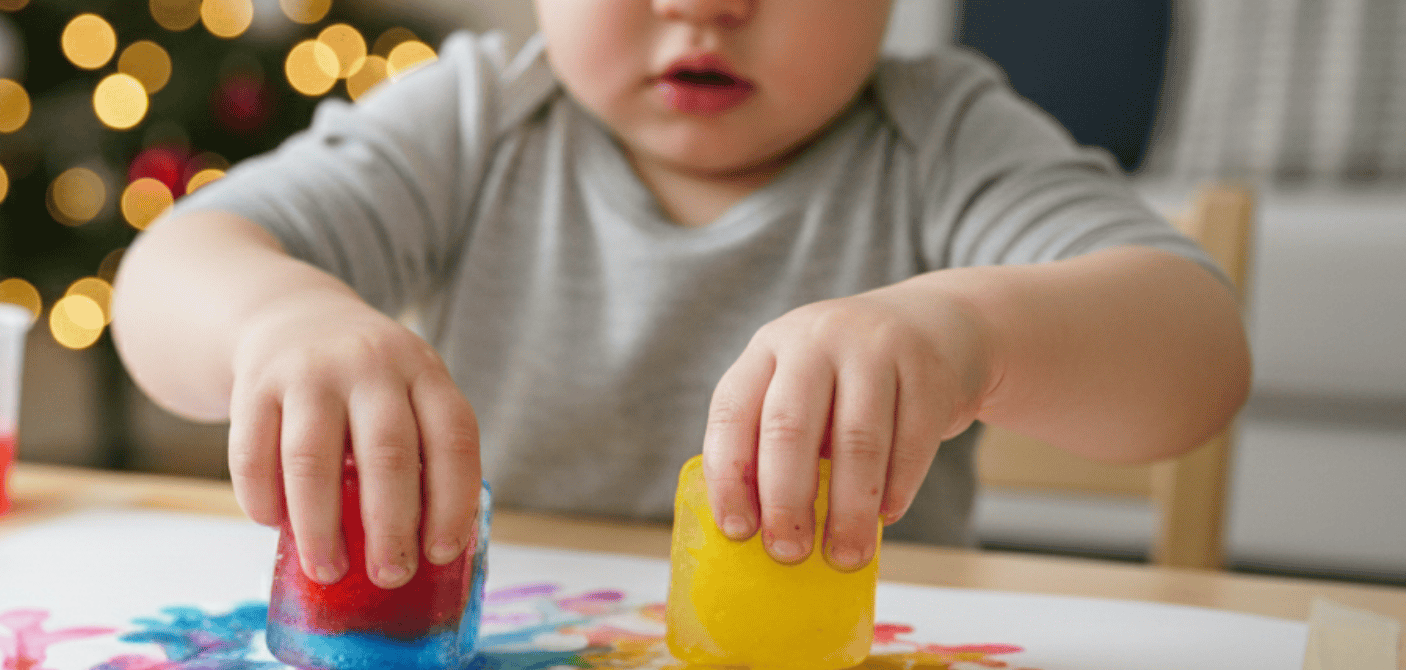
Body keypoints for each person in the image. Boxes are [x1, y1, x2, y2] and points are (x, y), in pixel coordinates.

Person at [112, 0, 1248, 592]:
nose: (703, 7)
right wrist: (277, 319)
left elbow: (1198, 353)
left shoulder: (942, 136)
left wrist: (971, 333)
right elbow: (167, 272)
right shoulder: (475, 118)